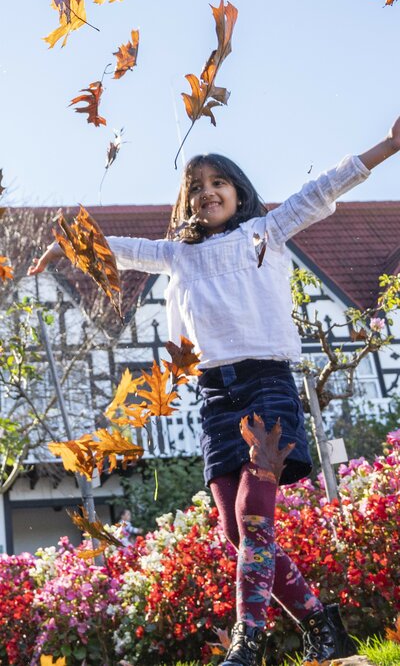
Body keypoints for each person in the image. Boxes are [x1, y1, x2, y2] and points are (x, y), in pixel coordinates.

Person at [28, 119, 400, 666]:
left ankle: (247, 642)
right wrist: (71, 247)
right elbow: (125, 249)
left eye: (216, 182)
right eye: (195, 188)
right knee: (234, 529)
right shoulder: (180, 256)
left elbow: (324, 187)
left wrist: (390, 145)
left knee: (254, 514)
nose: (207, 193)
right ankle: (323, 623)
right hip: (214, 400)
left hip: (267, 387)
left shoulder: (266, 233)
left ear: (238, 190)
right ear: (188, 205)